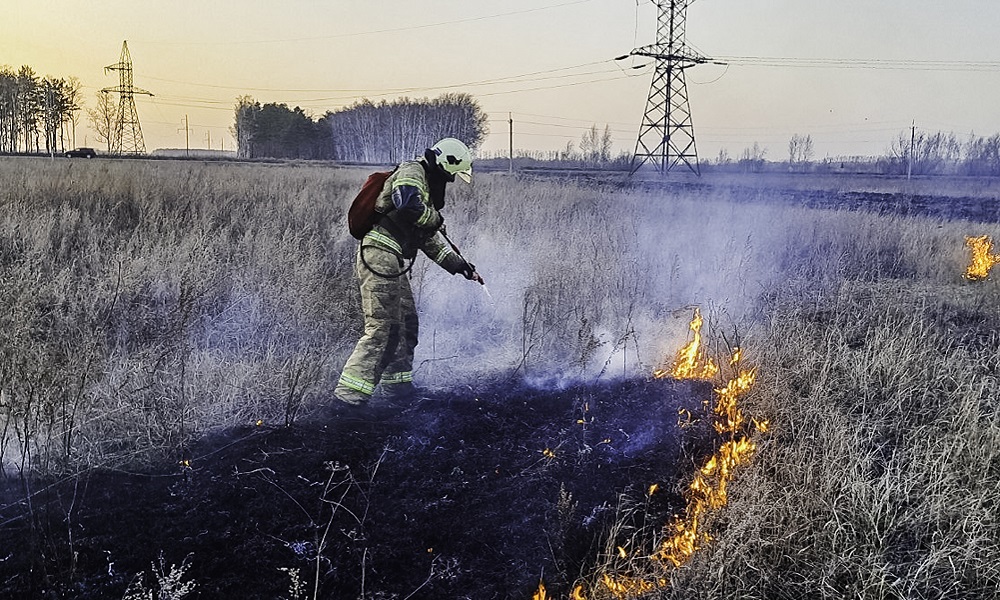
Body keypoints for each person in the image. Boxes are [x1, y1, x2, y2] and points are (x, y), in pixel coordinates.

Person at [334, 138, 483, 407]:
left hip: (392, 259)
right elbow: (407, 204)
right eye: (451, 175)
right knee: (383, 328)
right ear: (444, 164)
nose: (450, 181)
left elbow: (428, 240)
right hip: (379, 254)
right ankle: (347, 400)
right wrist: (436, 219)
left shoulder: (425, 188)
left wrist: (460, 266)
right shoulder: (412, 171)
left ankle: (397, 389)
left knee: (406, 324)